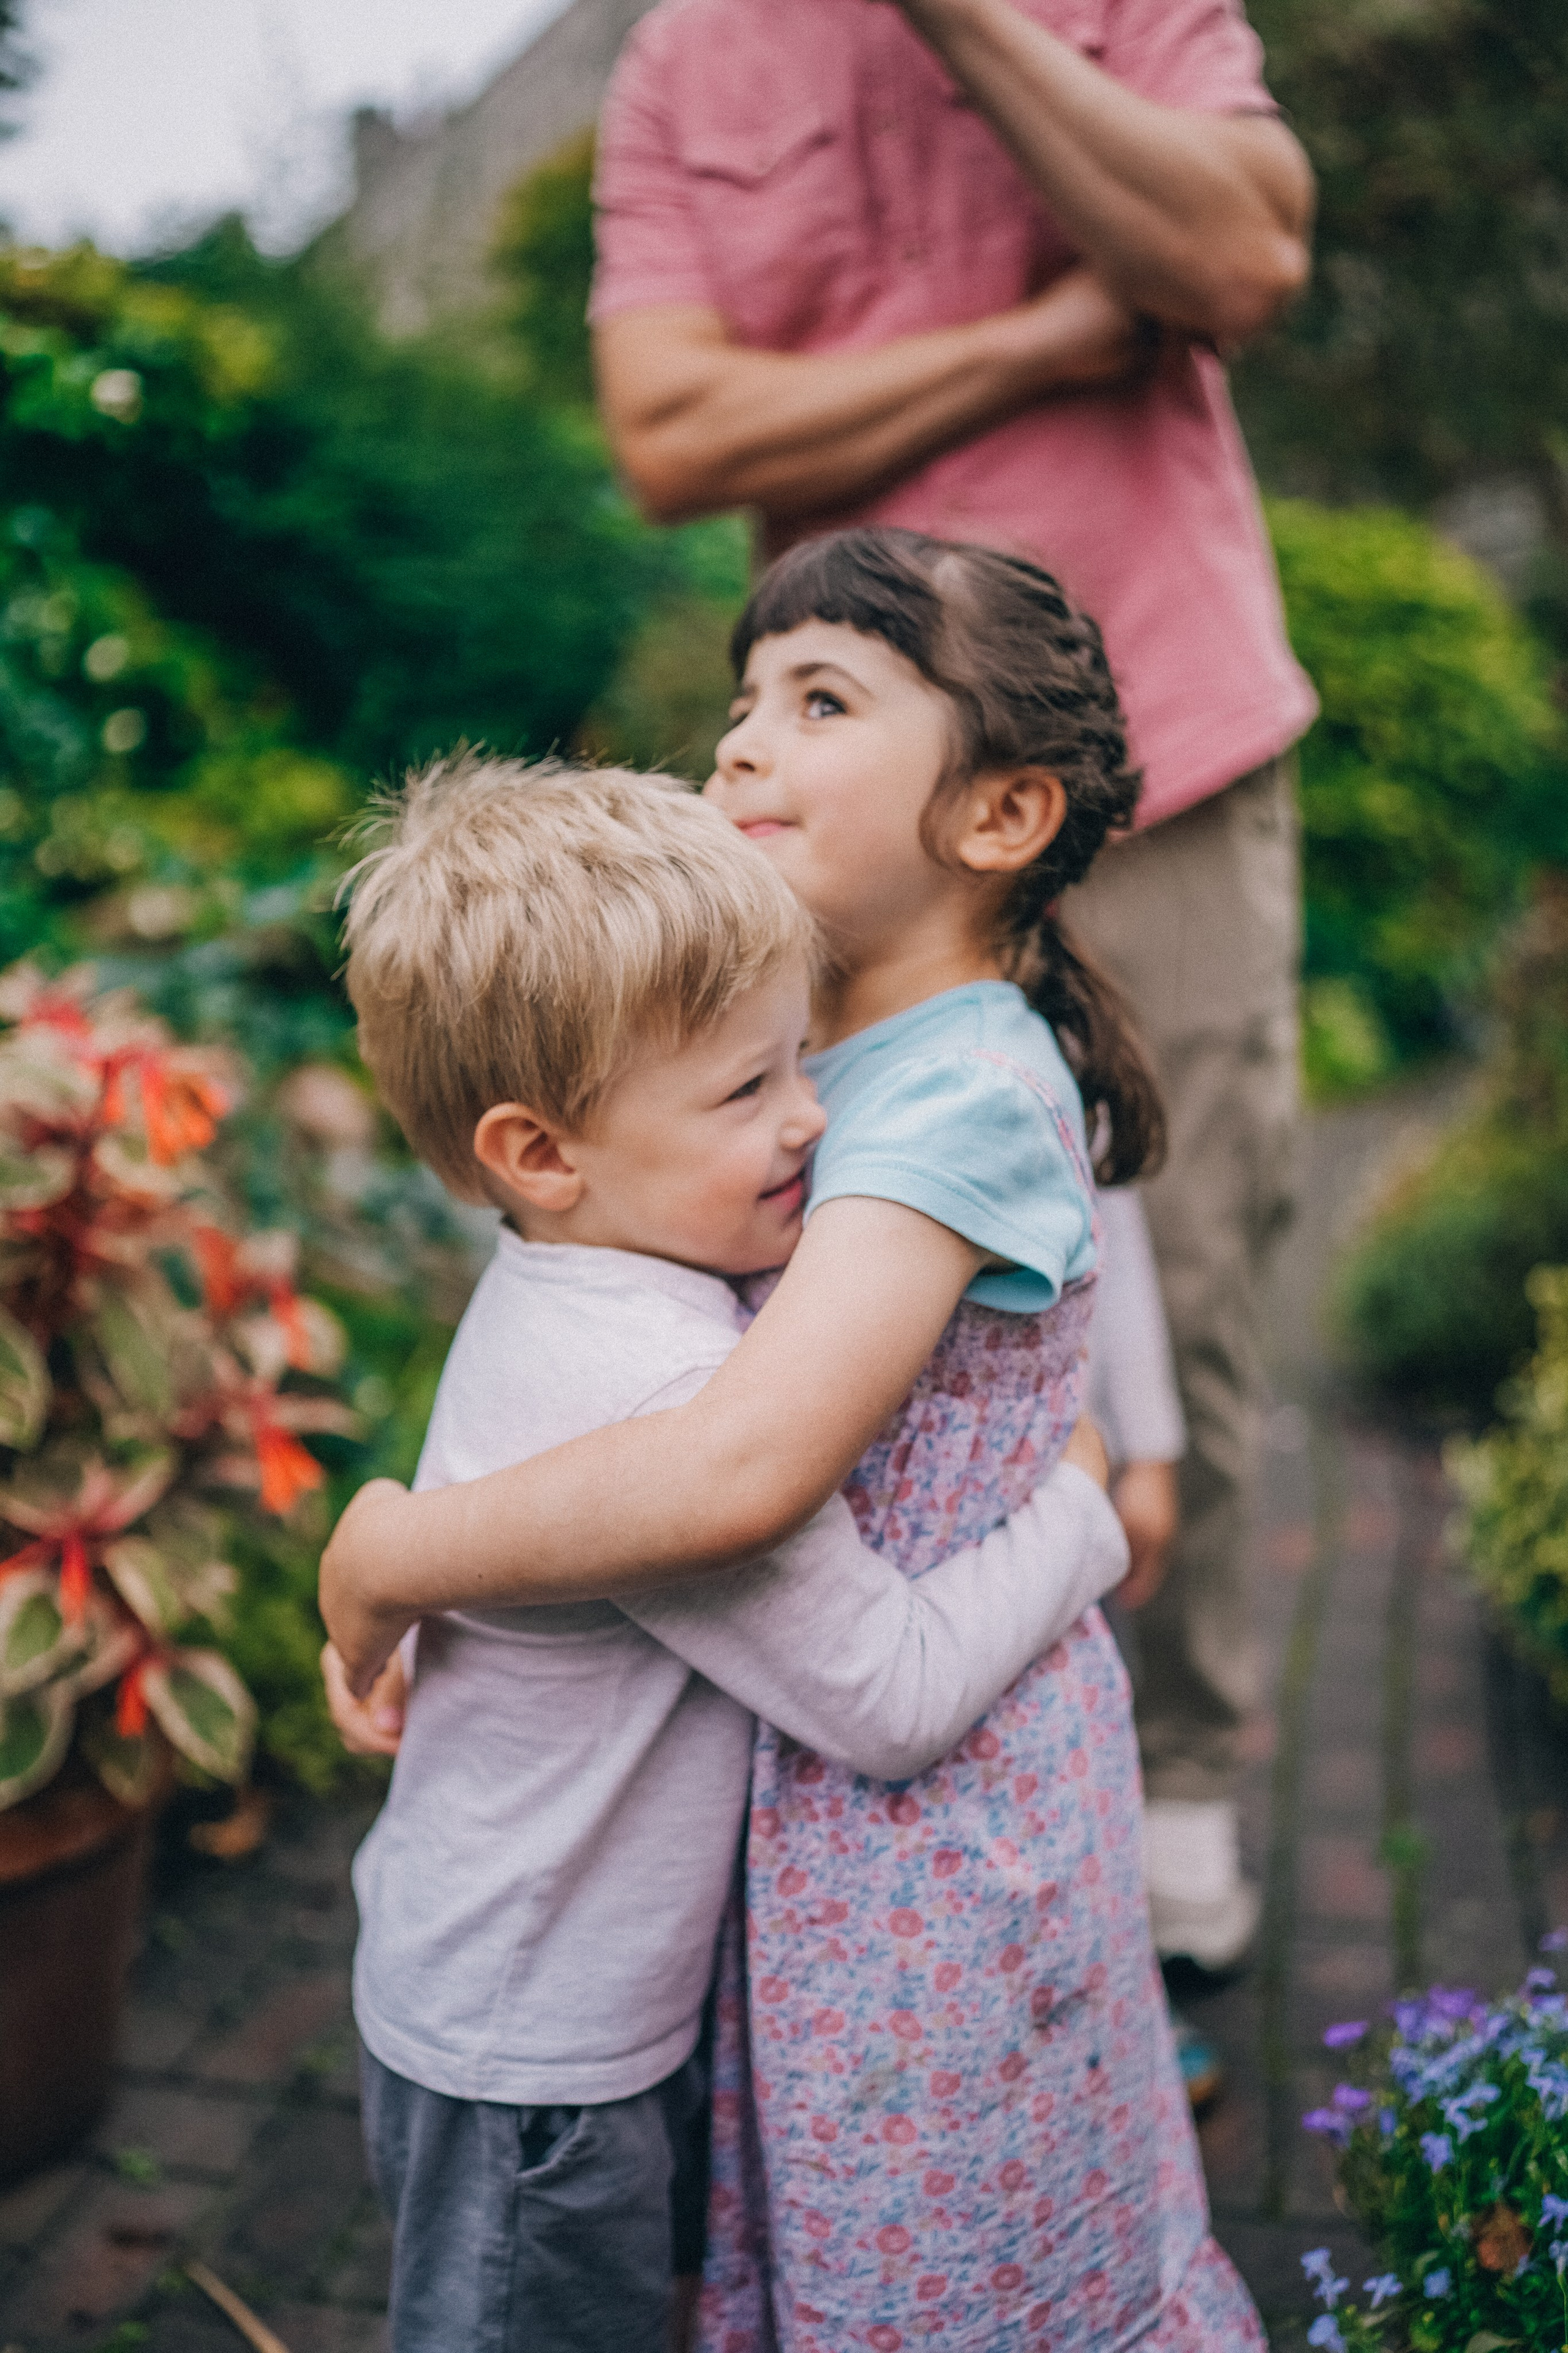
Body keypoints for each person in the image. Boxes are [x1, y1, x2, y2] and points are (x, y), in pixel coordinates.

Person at [322, 527, 1267, 2347]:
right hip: (823, 1793)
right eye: (744, 698)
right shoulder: (823, 1064)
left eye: (822, 700)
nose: (744, 740)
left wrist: (392, 1552)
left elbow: (739, 1473)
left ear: (999, 814)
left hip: (923, 1805)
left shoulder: (941, 1092)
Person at [586, 0, 1320, 1973]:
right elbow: (670, 436)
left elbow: (1239, 252)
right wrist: (1050, 340)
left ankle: (1177, 1781)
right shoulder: (684, 61)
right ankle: (903, 1734)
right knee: (827, 1230)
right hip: (858, 813)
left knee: (1187, 1278)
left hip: (1169, 740)